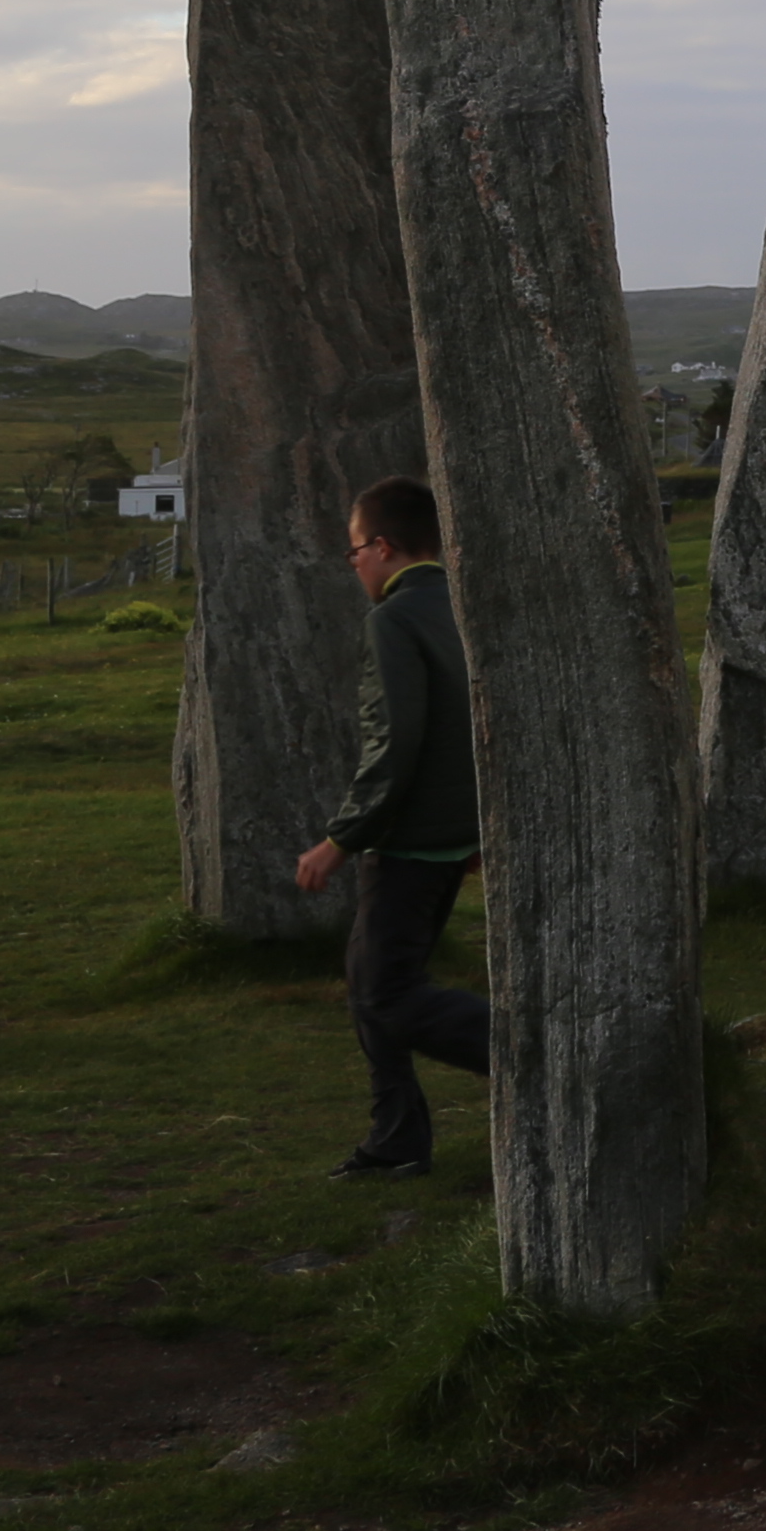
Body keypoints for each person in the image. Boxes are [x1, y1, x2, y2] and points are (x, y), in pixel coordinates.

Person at [293, 477, 488, 1180]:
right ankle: (397, 1138)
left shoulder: (394, 618)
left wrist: (339, 839)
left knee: (386, 992)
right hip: (452, 833)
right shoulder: (460, 607)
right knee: (370, 980)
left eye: (352, 551)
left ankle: (535, 1056)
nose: (351, 566)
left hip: (411, 839)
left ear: (381, 546)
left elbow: (396, 741)